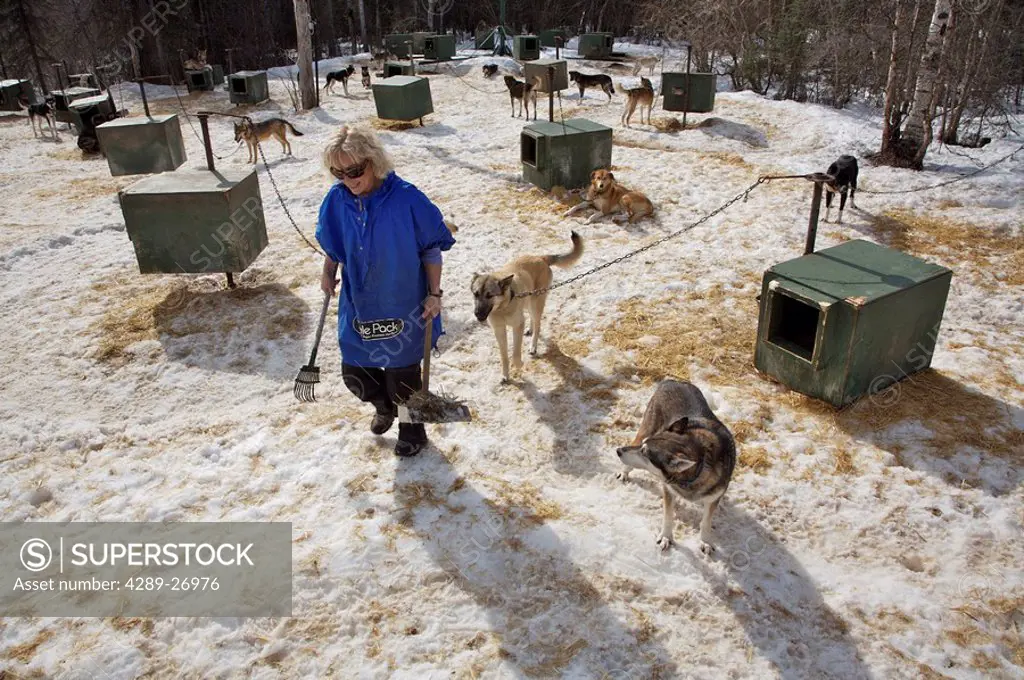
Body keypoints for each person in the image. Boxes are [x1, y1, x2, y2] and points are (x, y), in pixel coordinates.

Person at [315, 126, 455, 457]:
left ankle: (412, 431)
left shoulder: (406, 198)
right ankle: (385, 407)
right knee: (355, 373)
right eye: (339, 172)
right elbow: (333, 245)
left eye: (354, 170)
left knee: (402, 379)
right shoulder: (337, 199)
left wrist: (435, 294)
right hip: (360, 301)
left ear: (373, 161)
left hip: (404, 302)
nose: (348, 179)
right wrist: (327, 272)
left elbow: (431, 249)